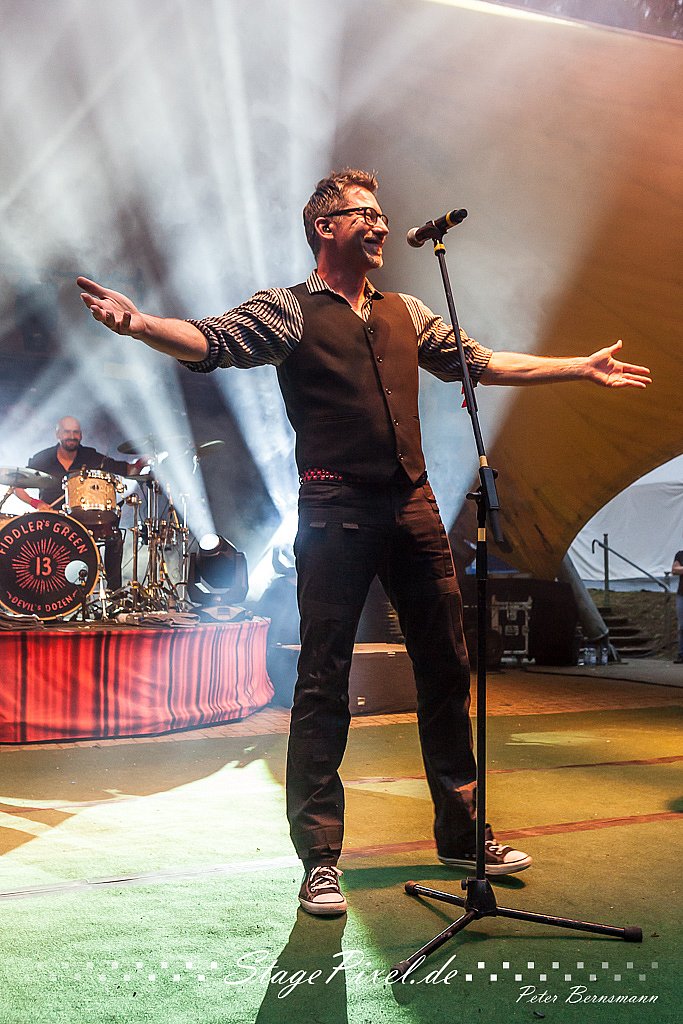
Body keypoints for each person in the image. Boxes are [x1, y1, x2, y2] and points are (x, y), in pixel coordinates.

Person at [76, 168, 651, 916]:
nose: (381, 226)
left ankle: (462, 835)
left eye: (381, 215)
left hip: (413, 505)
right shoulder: (288, 310)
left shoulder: (407, 311)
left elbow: (481, 363)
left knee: (446, 667)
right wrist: (140, 324)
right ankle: (320, 858)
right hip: (333, 506)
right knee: (323, 679)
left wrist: (578, 367)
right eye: (365, 214)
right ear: (326, 227)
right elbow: (211, 340)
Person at [15, 416, 144, 593]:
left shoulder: (91, 456)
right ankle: (46, 592)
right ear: (58, 434)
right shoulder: (43, 458)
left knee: (114, 535)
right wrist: (37, 503)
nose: (71, 436)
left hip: (85, 519)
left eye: (75, 432)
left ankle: (113, 593)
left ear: (81, 435)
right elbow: (18, 486)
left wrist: (143, 461)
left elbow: (129, 471)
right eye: (67, 432)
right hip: (52, 520)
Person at [672, 550, 683, 664]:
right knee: (681, 626)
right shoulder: (680, 554)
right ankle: (681, 653)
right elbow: (675, 570)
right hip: (681, 594)